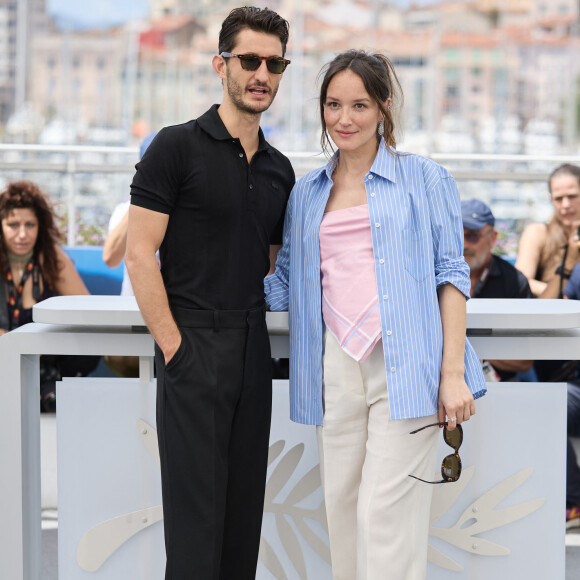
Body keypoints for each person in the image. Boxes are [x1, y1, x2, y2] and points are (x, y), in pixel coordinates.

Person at [265, 50, 486, 580]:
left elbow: (451, 275)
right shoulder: (306, 193)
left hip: (407, 365)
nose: (344, 119)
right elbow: (287, 283)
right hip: (333, 364)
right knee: (342, 512)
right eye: (333, 104)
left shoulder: (424, 178)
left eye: (359, 105)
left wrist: (450, 374)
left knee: (385, 515)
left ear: (384, 108)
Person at [125, 7, 294, 579]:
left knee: (243, 520)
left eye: (275, 63)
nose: (262, 74)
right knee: (196, 529)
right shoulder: (174, 148)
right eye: (250, 60)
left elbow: (270, 265)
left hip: (252, 347)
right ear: (221, 64)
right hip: (192, 343)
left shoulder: (280, 168)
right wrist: (175, 348)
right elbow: (137, 252)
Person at [0, 180, 99, 411]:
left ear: (40, 226)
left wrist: (44, 339)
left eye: (30, 224)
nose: (22, 234)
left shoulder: (53, 260)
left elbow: (88, 313)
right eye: (13, 225)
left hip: (47, 359)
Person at [102, 133, 157, 377]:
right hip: (133, 320)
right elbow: (110, 257)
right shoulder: (125, 209)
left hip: (181, 318)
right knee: (119, 355)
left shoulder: (191, 209)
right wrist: (141, 199)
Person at [461, 199, 533, 381]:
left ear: (492, 238)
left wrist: (460, 346)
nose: (463, 245)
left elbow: (524, 361)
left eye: (472, 236)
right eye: (455, 235)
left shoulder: (514, 281)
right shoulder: (432, 274)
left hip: (500, 385)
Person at [515, 163, 580, 297]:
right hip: (547, 310)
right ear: (551, 200)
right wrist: (564, 290)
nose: (566, 205)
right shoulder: (538, 233)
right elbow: (521, 281)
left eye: (572, 197)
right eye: (558, 199)